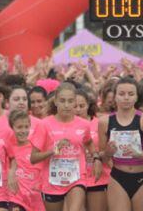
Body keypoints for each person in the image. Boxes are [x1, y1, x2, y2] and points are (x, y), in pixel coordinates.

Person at [30, 82, 98, 211]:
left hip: (77, 179)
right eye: (62, 101)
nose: (66, 105)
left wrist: (95, 157)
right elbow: (33, 158)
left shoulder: (83, 124)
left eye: (70, 101)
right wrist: (53, 151)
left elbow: (89, 142)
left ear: (74, 102)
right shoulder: (44, 124)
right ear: (55, 101)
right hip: (52, 182)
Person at [99, 77, 143, 211]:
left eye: (130, 94)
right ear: (115, 97)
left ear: (136, 97)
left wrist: (139, 154)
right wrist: (107, 153)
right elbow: (102, 156)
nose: (126, 98)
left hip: (142, 177)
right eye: (122, 94)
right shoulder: (105, 122)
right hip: (118, 177)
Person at [77, 87, 108, 211]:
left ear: (88, 105)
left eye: (81, 105)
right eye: (75, 106)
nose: (78, 110)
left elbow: (107, 151)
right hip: (74, 179)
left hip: (97, 177)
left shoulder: (100, 122)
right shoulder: (65, 126)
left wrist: (97, 156)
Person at [9, 110, 44, 211]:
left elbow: (44, 169)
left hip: (35, 197)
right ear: (12, 127)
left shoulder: (36, 147)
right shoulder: (9, 147)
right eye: (19, 127)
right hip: (16, 198)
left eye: (26, 127)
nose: (23, 131)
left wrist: (40, 184)